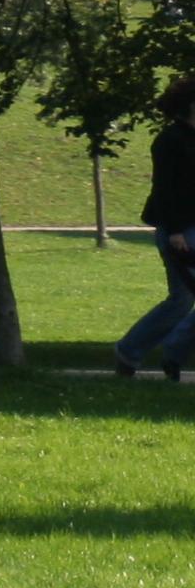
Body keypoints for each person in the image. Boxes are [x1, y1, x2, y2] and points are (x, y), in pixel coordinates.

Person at [115, 75, 195, 379]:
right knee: (180, 300)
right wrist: (174, 231)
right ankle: (138, 352)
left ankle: (163, 354)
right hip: (179, 231)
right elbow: (166, 190)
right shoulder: (169, 141)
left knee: (181, 301)